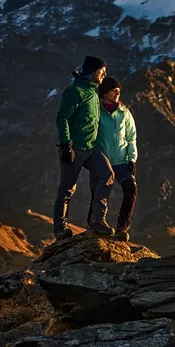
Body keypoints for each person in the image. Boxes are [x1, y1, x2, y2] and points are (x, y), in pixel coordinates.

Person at [53, 55, 115, 240]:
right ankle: (60, 229)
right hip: (74, 148)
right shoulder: (75, 91)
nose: (104, 74)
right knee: (67, 188)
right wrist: (66, 145)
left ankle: (97, 221)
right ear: (92, 71)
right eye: (101, 70)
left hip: (91, 149)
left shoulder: (93, 92)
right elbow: (62, 117)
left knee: (107, 175)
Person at [88, 76, 137, 242]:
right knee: (98, 193)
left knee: (131, 188)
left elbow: (131, 137)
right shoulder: (96, 112)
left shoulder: (125, 113)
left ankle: (122, 228)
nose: (117, 93)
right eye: (113, 90)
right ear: (104, 93)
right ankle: (93, 225)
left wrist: (132, 159)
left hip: (122, 161)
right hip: (102, 159)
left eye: (119, 91)